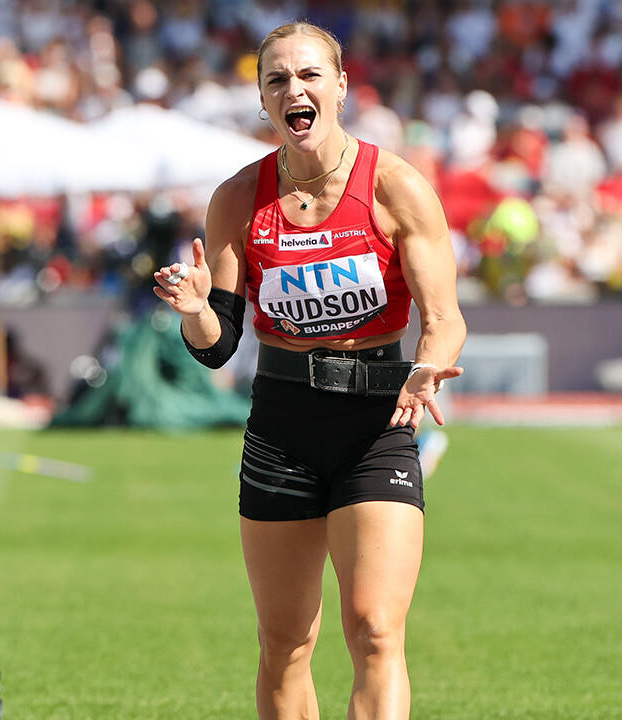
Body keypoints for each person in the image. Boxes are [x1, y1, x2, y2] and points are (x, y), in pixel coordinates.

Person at [154, 22, 465, 720]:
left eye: (309, 75)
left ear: (340, 87)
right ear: (263, 100)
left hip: (378, 422)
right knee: (286, 642)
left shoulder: (395, 187)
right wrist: (197, 310)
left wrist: (430, 366)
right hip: (282, 428)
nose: (294, 89)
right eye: (277, 80)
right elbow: (216, 344)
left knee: (377, 630)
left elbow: (445, 317)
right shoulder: (238, 198)